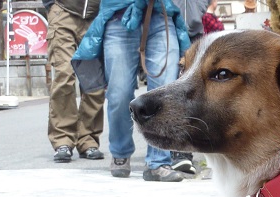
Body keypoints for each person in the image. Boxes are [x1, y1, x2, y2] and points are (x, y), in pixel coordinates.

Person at [73, 0, 191, 181]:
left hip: (161, 15)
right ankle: (120, 151)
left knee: (164, 92)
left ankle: (158, 162)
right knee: (119, 94)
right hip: (118, 16)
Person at [43, 0, 105, 163]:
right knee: (64, 75)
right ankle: (63, 140)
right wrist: (51, 5)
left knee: (94, 81)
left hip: (95, 16)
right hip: (63, 11)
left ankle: (88, 140)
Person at [169, 0, 209, 175]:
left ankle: (187, 149)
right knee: (172, 88)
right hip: (169, 28)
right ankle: (179, 152)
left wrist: (200, 8)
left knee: (194, 92)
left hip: (195, 32)